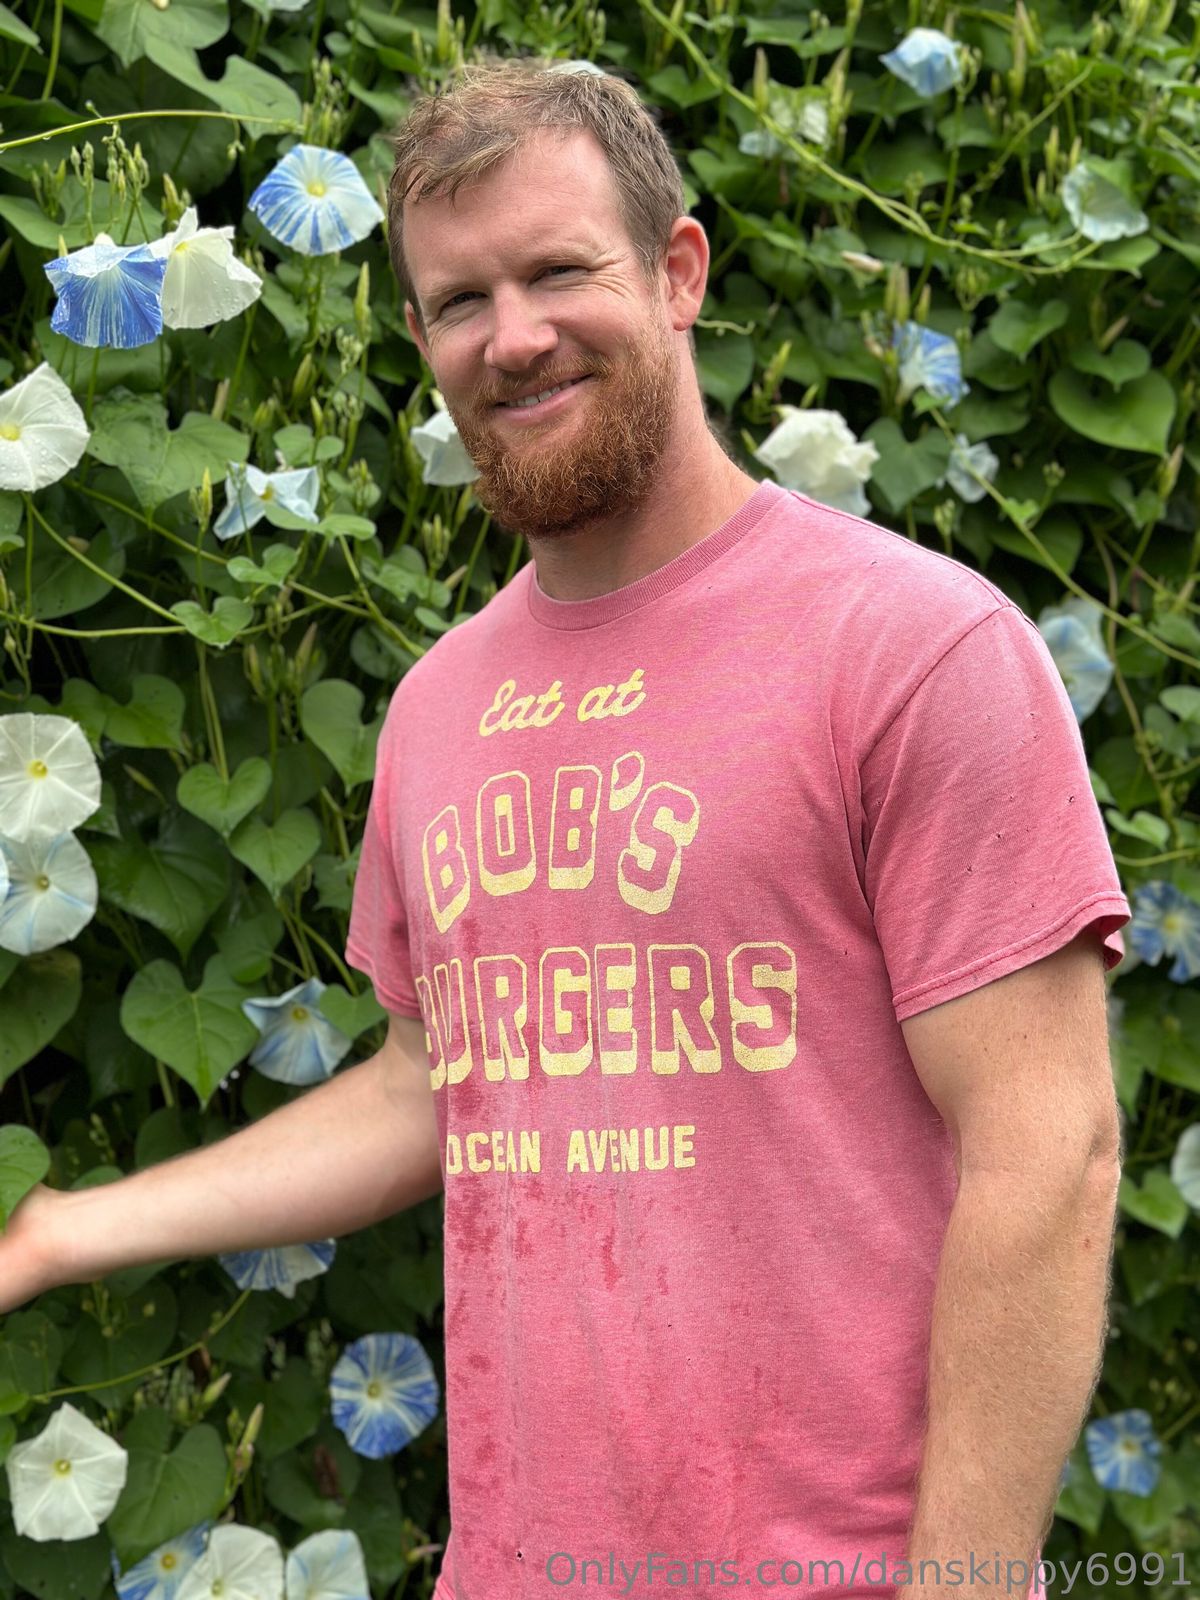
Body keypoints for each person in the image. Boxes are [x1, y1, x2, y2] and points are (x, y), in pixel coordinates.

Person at [1, 57, 1130, 1600]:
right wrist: (61, 1232)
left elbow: (1049, 1156)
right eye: (460, 301)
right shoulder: (436, 712)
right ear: (421, 342)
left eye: (558, 272)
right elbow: (430, 1085)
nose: (513, 337)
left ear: (678, 273)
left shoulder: (914, 648)